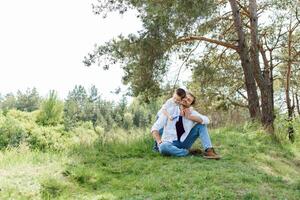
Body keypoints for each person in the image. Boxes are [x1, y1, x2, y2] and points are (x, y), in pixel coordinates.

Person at [151, 92, 220, 159]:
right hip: (169, 142)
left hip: (184, 142)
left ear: (190, 104)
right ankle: (188, 152)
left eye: (189, 100)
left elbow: (207, 120)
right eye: (185, 97)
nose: (186, 100)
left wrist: (189, 117)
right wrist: (159, 142)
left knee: (201, 125)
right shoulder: (169, 110)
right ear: (182, 97)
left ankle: (209, 151)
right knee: (163, 147)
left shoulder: (191, 113)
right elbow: (155, 128)